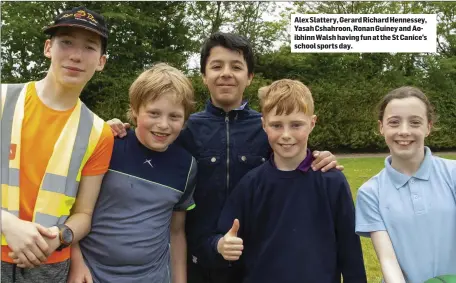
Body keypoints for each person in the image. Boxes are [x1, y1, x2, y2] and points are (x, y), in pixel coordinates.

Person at [108, 32, 343, 283]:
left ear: (249, 77)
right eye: (216, 66)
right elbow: (149, 141)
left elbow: (297, 157)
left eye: (236, 66)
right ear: (203, 76)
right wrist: (117, 128)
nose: (226, 73)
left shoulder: (268, 128)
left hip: (256, 261)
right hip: (199, 261)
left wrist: (319, 157)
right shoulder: (185, 128)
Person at [212, 79, 367, 283]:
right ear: (264, 125)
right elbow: (221, 236)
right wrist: (221, 244)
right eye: (277, 125)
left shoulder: (332, 181)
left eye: (296, 125)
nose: (286, 135)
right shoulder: (251, 184)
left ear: (312, 123)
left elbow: (350, 252)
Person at [1, 6, 114, 283]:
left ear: (101, 61)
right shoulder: (2, 99)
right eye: (66, 43)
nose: (76, 56)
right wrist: (6, 223)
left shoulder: (100, 132)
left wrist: (59, 239)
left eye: (89, 47)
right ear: (48, 47)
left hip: (50, 265)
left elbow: (84, 214)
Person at [67, 63, 197, 283]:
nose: (163, 125)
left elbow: (176, 232)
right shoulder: (107, 145)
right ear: (135, 111)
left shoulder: (187, 166)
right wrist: (76, 263)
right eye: (154, 113)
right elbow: (70, 209)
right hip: (91, 274)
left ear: (184, 120)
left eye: (174, 116)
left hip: (153, 277)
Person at [355, 86, 456, 282]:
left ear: (428, 127)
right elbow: (388, 262)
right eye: (394, 122)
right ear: (381, 127)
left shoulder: (453, 174)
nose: (404, 131)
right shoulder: (370, 192)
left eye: (415, 122)